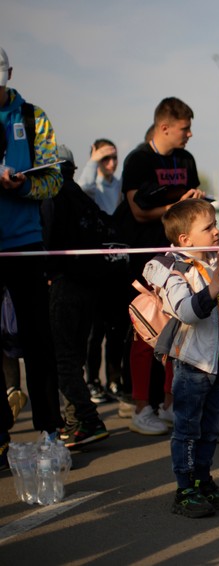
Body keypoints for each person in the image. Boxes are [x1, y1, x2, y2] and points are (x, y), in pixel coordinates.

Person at [143, 198, 219, 518]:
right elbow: (187, 312)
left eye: (216, 225)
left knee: (211, 428)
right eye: (208, 228)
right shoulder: (172, 268)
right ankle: (185, 490)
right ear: (185, 239)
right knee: (188, 429)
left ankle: (203, 481)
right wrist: (213, 288)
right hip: (192, 363)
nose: (217, 232)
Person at [113, 96, 205, 435]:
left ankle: (168, 404)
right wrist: (176, 206)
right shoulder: (138, 159)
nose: (189, 134)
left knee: (178, 330)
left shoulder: (187, 159)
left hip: (177, 256)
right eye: (185, 128)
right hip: (144, 257)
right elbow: (138, 212)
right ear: (164, 127)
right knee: (145, 331)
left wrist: (192, 205)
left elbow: (189, 210)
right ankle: (141, 407)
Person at [0, 46, 65, 449]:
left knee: (39, 341)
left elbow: (54, 179)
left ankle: (50, 431)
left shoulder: (33, 117)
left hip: (25, 243)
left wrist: (24, 185)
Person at [43, 146, 110, 448]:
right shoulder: (83, 198)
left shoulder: (52, 197)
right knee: (75, 358)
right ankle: (76, 423)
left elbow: (45, 237)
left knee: (62, 360)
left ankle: (87, 419)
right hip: (90, 286)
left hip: (64, 284)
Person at [80, 138, 127, 404]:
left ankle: (113, 380)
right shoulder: (91, 184)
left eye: (114, 157)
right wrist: (93, 160)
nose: (110, 163)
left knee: (116, 329)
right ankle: (92, 381)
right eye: (104, 158)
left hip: (117, 263)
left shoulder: (118, 185)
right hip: (96, 266)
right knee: (94, 331)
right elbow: (83, 188)